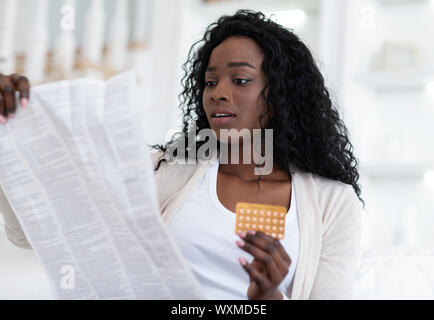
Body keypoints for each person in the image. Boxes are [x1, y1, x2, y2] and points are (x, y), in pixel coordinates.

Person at [0, 10, 364, 300]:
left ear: (281, 95)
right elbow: (36, 230)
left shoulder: (333, 203)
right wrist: (10, 131)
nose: (218, 93)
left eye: (240, 80)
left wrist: (268, 297)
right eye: (210, 81)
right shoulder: (159, 171)